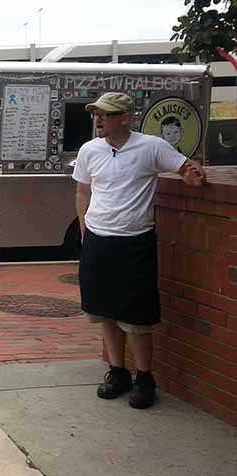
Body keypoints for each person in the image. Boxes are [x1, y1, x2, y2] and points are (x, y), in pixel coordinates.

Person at [74, 92, 206, 410]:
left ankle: (144, 378)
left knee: (135, 317)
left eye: (107, 114)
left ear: (125, 117)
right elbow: (82, 190)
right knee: (103, 311)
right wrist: (84, 233)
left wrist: (193, 175)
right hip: (97, 242)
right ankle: (117, 372)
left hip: (134, 242)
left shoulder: (151, 147)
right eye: (96, 114)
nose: (99, 120)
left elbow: (186, 170)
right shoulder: (89, 150)